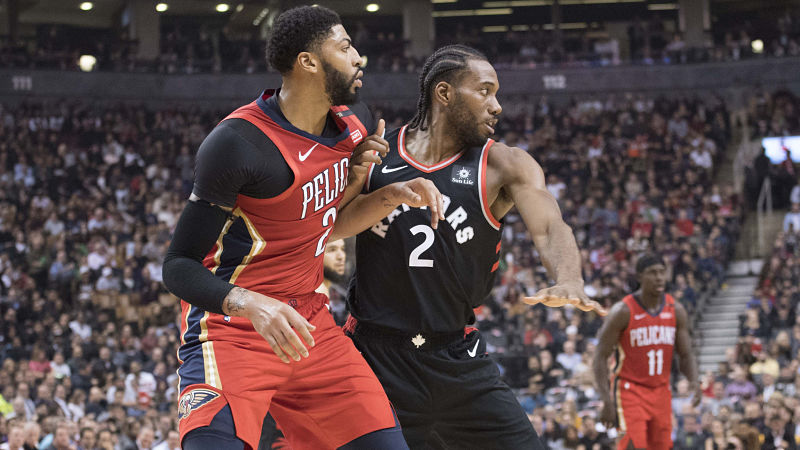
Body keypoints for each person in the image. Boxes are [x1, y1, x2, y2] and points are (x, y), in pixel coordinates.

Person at [162, 6, 442, 450]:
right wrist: (251, 304)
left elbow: (324, 227)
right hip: (232, 331)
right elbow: (178, 265)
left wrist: (384, 196)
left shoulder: (357, 122)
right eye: (345, 46)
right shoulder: (238, 143)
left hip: (311, 326)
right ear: (308, 62)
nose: (359, 57)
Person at [338, 44, 605, 449]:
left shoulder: (504, 164)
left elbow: (551, 225)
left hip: (457, 358)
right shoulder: (378, 155)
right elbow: (329, 226)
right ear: (443, 93)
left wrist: (568, 276)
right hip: (374, 358)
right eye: (484, 91)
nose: (496, 106)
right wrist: (356, 175)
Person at [592, 254, 700, 450]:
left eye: (662, 272)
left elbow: (685, 354)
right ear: (640, 277)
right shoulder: (622, 311)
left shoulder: (676, 309)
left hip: (661, 391)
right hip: (629, 389)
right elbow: (600, 356)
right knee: (633, 446)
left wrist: (694, 380)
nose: (659, 277)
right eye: (652, 273)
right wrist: (606, 400)